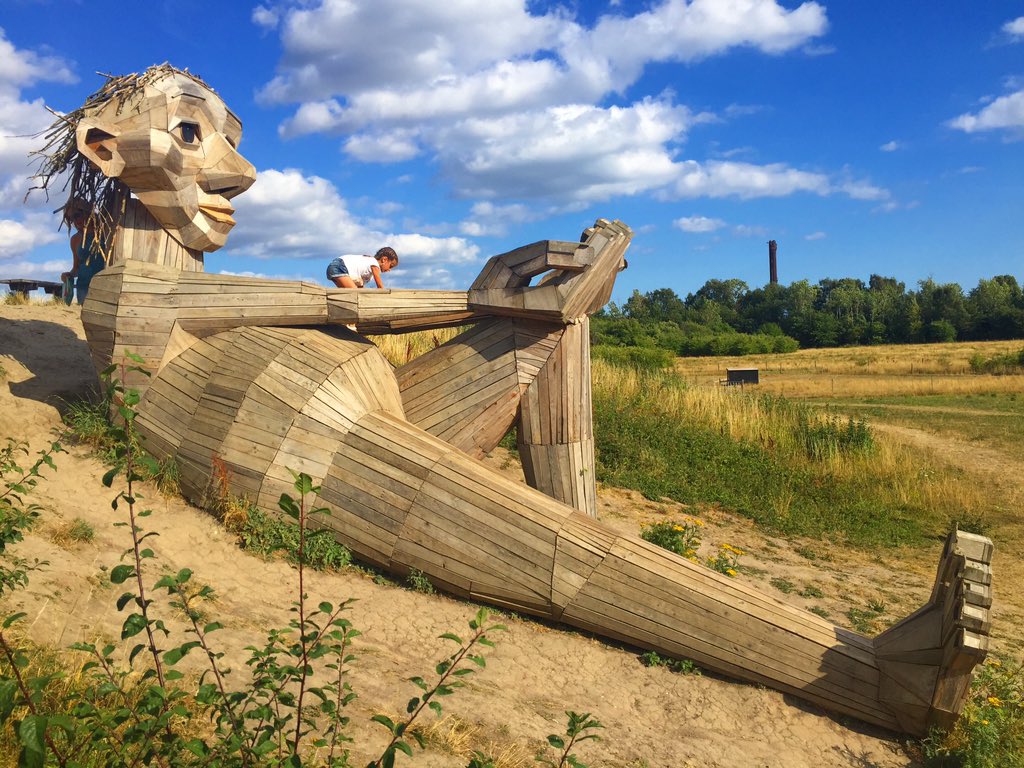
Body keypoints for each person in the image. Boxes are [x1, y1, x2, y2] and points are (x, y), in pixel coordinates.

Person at [61, 201, 105, 305]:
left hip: (104, 286)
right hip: (83, 289)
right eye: (72, 219)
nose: (75, 221)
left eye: (77, 215)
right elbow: (76, 268)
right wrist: (68, 276)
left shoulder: (104, 232)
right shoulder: (75, 240)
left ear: (87, 212)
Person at [326, 247, 398, 288]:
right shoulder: (374, 264)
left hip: (336, 267)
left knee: (348, 295)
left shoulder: (368, 271)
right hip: (340, 266)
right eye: (390, 266)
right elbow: (379, 285)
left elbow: (360, 288)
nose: (389, 270)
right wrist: (385, 296)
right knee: (355, 295)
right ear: (384, 260)